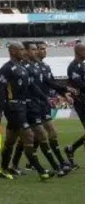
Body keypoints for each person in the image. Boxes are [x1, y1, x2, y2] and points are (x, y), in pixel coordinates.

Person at [0, 42, 51, 181]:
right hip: (13, 108)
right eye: (20, 49)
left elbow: (32, 87)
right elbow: (1, 90)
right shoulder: (6, 69)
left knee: (10, 141)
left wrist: (45, 98)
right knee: (29, 136)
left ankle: (4, 169)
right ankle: (41, 171)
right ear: (12, 51)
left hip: (23, 107)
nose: (23, 52)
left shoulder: (22, 68)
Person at [9, 42, 64, 177]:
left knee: (31, 137)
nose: (40, 52)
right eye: (35, 49)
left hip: (40, 103)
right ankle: (58, 165)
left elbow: (48, 83)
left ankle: (17, 164)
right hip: (28, 106)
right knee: (41, 134)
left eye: (41, 49)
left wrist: (62, 92)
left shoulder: (40, 66)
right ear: (27, 51)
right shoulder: (22, 67)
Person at [36, 41, 75, 172]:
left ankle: (19, 164)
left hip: (44, 103)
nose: (44, 51)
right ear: (35, 50)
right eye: (41, 49)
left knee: (35, 136)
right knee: (50, 132)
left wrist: (64, 94)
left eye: (45, 48)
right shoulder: (30, 67)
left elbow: (52, 83)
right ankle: (61, 162)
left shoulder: (45, 66)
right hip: (35, 104)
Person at [65, 42, 85, 168]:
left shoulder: (82, 65)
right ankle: (71, 148)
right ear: (79, 52)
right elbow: (81, 85)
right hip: (81, 101)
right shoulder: (73, 67)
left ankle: (71, 148)